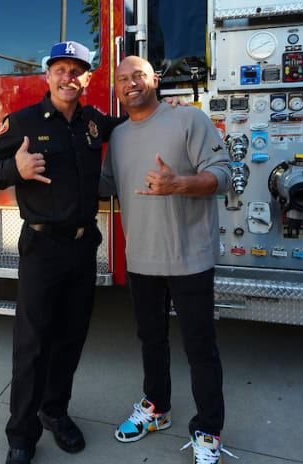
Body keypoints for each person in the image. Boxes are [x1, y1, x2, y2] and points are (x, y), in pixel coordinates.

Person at [0, 41, 119, 464]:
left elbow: (136, 122)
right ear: (47, 75)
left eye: (77, 70)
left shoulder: (94, 123)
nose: (68, 77)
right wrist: (13, 170)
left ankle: (55, 412)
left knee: (71, 339)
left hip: (83, 246)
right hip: (41, 247)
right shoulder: (22, 122)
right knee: (32, 344)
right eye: (61, 69)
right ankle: (21, 435)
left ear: (87, 78)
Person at [100, 55, 236, 463]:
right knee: (150, 341)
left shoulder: (188, 121)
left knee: (200, 348)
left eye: (138, 75)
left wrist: (180, 183)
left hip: (190, 258)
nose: (130, 84)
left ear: (154, 79)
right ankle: (156, 408)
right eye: (122, 79)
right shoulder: (119, 136)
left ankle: (208, 431)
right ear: (116, 88)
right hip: (142, 258)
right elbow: (106, 184)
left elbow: (225, 174)